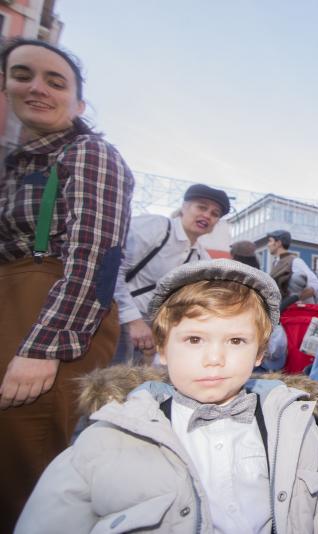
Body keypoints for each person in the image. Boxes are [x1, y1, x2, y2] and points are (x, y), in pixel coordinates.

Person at [16, 259, 318, 533]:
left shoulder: (294, 425)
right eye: (195, 340)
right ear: (162, 347)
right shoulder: (109, 436)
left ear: (259, 353)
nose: (214, 358)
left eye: (236, 341)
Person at [0, 38, 134, 528]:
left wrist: (45, 347)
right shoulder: (16, 165)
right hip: (15, 302)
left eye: (55, 81)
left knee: (23, 463)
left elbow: (96, 257)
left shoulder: (89, 153)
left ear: (79, 103)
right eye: (22, 74)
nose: (36, 87)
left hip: (50, 315)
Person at [113, 183, 229, 363]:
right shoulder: (156, 227)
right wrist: (133, 321)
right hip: (113, 318)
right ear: (184, 207)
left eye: (215, 214)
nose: (207, 215)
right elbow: (112, 269)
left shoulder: (202, 259)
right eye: (201, 207)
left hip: (148, 334)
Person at [267, 229, 318, 305]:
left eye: (270, 241)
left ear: (278, 243)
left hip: (295, 311)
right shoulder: (275, 263)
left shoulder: (295, 261)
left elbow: (315, 285)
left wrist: (293, 300)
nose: (268, 244)